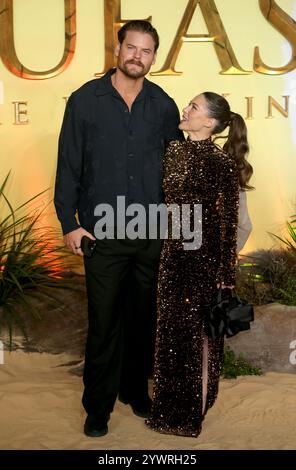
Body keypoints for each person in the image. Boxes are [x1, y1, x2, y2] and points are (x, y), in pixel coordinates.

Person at [54, 20, 183, 437]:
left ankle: (135, 391)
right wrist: (69, 224)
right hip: (102, 236)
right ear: (118, 48)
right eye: (132, 48)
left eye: (146, 51)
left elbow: (174, 172)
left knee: (143, 319)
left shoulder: (163, 105)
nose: (137, 57)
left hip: (151, 233)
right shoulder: (84, 101)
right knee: (105, 322)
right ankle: (98, 407)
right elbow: (69, 165)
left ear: (154, 56)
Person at [146, 91, 253, 438]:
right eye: (188, 104)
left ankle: (191, 415)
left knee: (198, 341)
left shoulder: (222, 164)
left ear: (209, 122)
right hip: (173, 257)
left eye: (193, 106)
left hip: (204, 263)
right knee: (169, 337)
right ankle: (165, 412)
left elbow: (228, 224)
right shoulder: (173, 151)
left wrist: (225, 275)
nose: (186, 109)